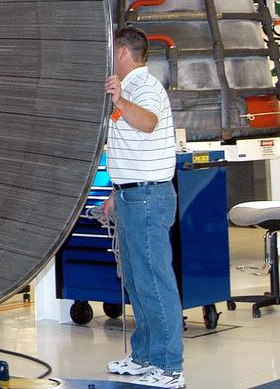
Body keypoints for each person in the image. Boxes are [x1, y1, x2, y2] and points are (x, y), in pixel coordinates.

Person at [102, 27, 184, 389]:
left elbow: (148, 124)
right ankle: (145, 356)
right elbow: (130, 139)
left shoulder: (144, 87)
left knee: (153, 281)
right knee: (137, 281)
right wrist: (116, 191)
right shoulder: (131, 90)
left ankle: (170, 367)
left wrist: (119, 101)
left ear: (122, 52)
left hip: (149, 198)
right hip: (133, 194)